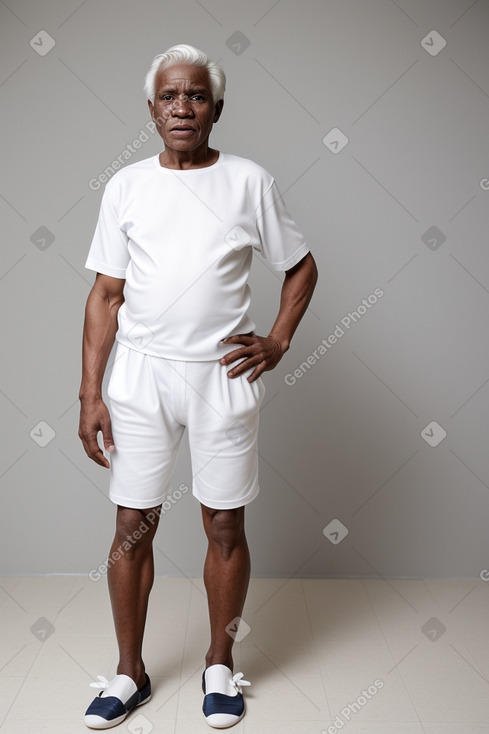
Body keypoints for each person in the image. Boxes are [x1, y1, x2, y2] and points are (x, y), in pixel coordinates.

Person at [78, 43, 318, 730]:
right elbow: (104, 295)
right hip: (141, 375)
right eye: (168, 97)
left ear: (216, 108)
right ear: (152, 111)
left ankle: (219, 662)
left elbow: (299, 268)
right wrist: (90, 394)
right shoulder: (125, 185)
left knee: (223, 523)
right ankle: (130, 673)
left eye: (196, 96)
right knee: (131, 525)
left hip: (221, 375)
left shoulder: (249, 181)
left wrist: (276, 340)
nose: (182, 108)